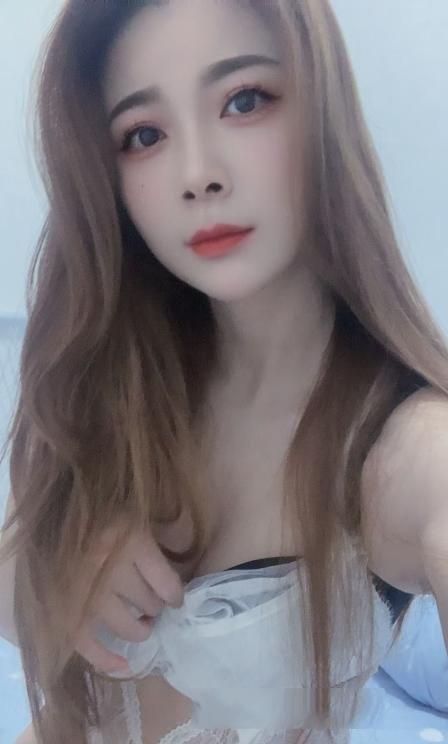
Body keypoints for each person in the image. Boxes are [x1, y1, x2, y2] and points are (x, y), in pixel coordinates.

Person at [1, 0, 448, 742]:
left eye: (245, 101)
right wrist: (61, 557)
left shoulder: (405, 452)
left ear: (323, 113)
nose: (198, 174)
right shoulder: (115, 381)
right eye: (145, 135)